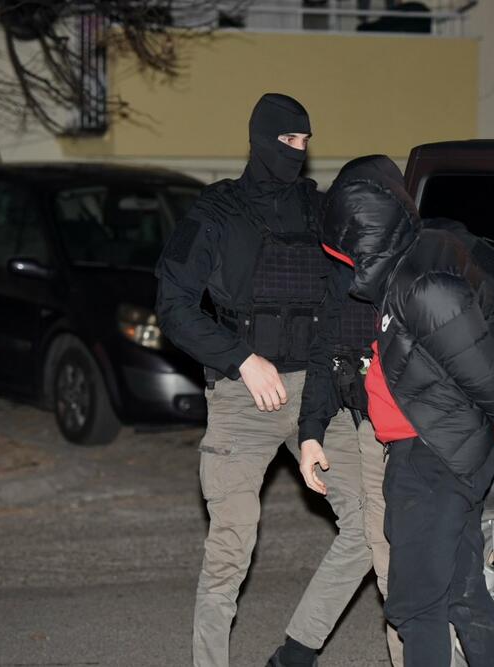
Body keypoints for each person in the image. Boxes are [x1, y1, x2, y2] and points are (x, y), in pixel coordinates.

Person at [154, 93, 373, 667]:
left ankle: (296, 651)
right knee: (230, 550)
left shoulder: (319, 211)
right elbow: (174, 306)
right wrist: (241, 359)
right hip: (242, 396)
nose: (297, 151)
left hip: (317, 394)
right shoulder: (218, 210)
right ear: (261, 140)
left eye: (305, 141)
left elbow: (346, 300)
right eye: (288, 141)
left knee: (371, 525)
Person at [312, 155, 494, 667]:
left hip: (431, 457)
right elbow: (443, 363)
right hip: (439, 447)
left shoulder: (419, 282)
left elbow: (473, 354)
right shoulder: (407, 273)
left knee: (416, 607)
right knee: (463, 592)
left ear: (360, 235)